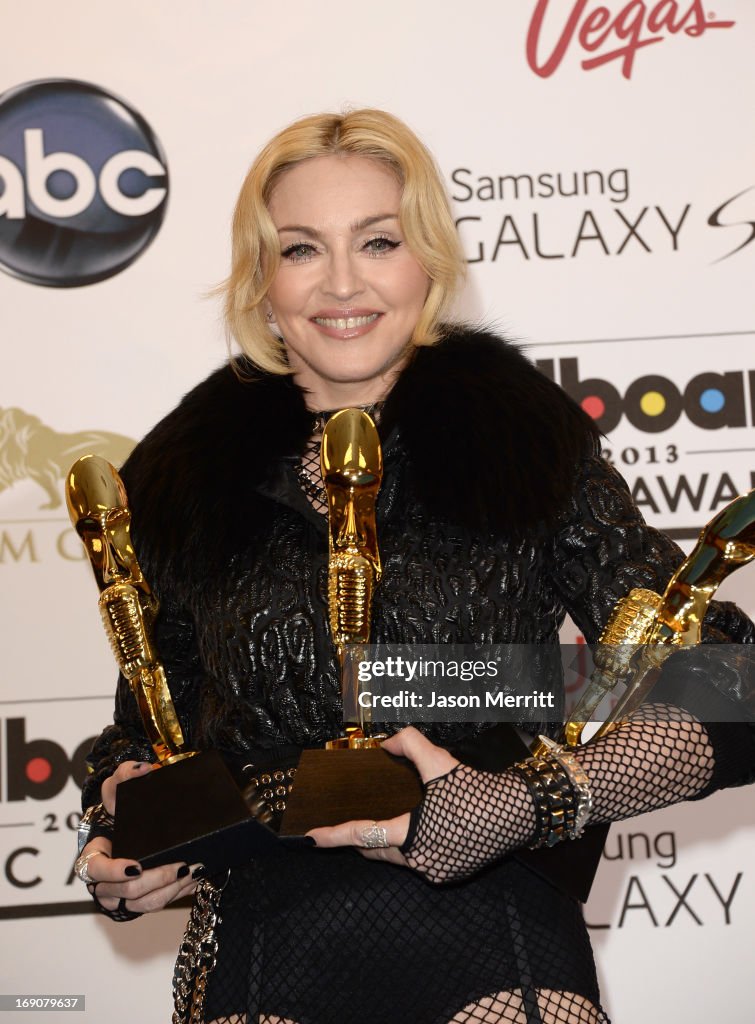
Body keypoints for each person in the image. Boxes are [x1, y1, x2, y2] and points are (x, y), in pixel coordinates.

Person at [74, 109, 755, 1024]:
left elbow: (728, 678)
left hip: (495, 916)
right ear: (261, 279)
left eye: (378, 241)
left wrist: (530, 802)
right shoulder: (181, 471)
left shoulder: (520, 436)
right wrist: (119, 830)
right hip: (262, 935)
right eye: (302, 249)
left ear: (426, 260)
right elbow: (145, 731)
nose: (343, 283)